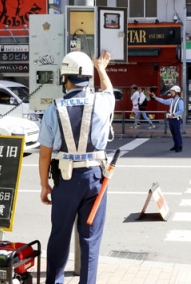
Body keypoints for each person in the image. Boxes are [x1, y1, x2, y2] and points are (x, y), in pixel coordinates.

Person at [38, 50, 115, 284]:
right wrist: (101, 68)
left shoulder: (54, 108)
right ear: (88, 79)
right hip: (95, 178)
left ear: (65, 78)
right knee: (90, 238)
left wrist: (44, 186)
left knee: (60, 235)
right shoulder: (102, 102)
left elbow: (44, 155)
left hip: (65, 178)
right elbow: (109, 91)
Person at [151, 85, 184, 152]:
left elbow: (181, 110)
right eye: (171, 91)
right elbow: (164, 101)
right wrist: (155, 97)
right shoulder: (171, 100)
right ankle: (175, 145)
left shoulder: (180, 101)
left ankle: (179, 146)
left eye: (172, 91)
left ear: (176, 92)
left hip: (176, 119)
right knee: (173, 133)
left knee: (177, 133)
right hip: (171, 119)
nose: (171, 92)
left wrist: (173, 114)